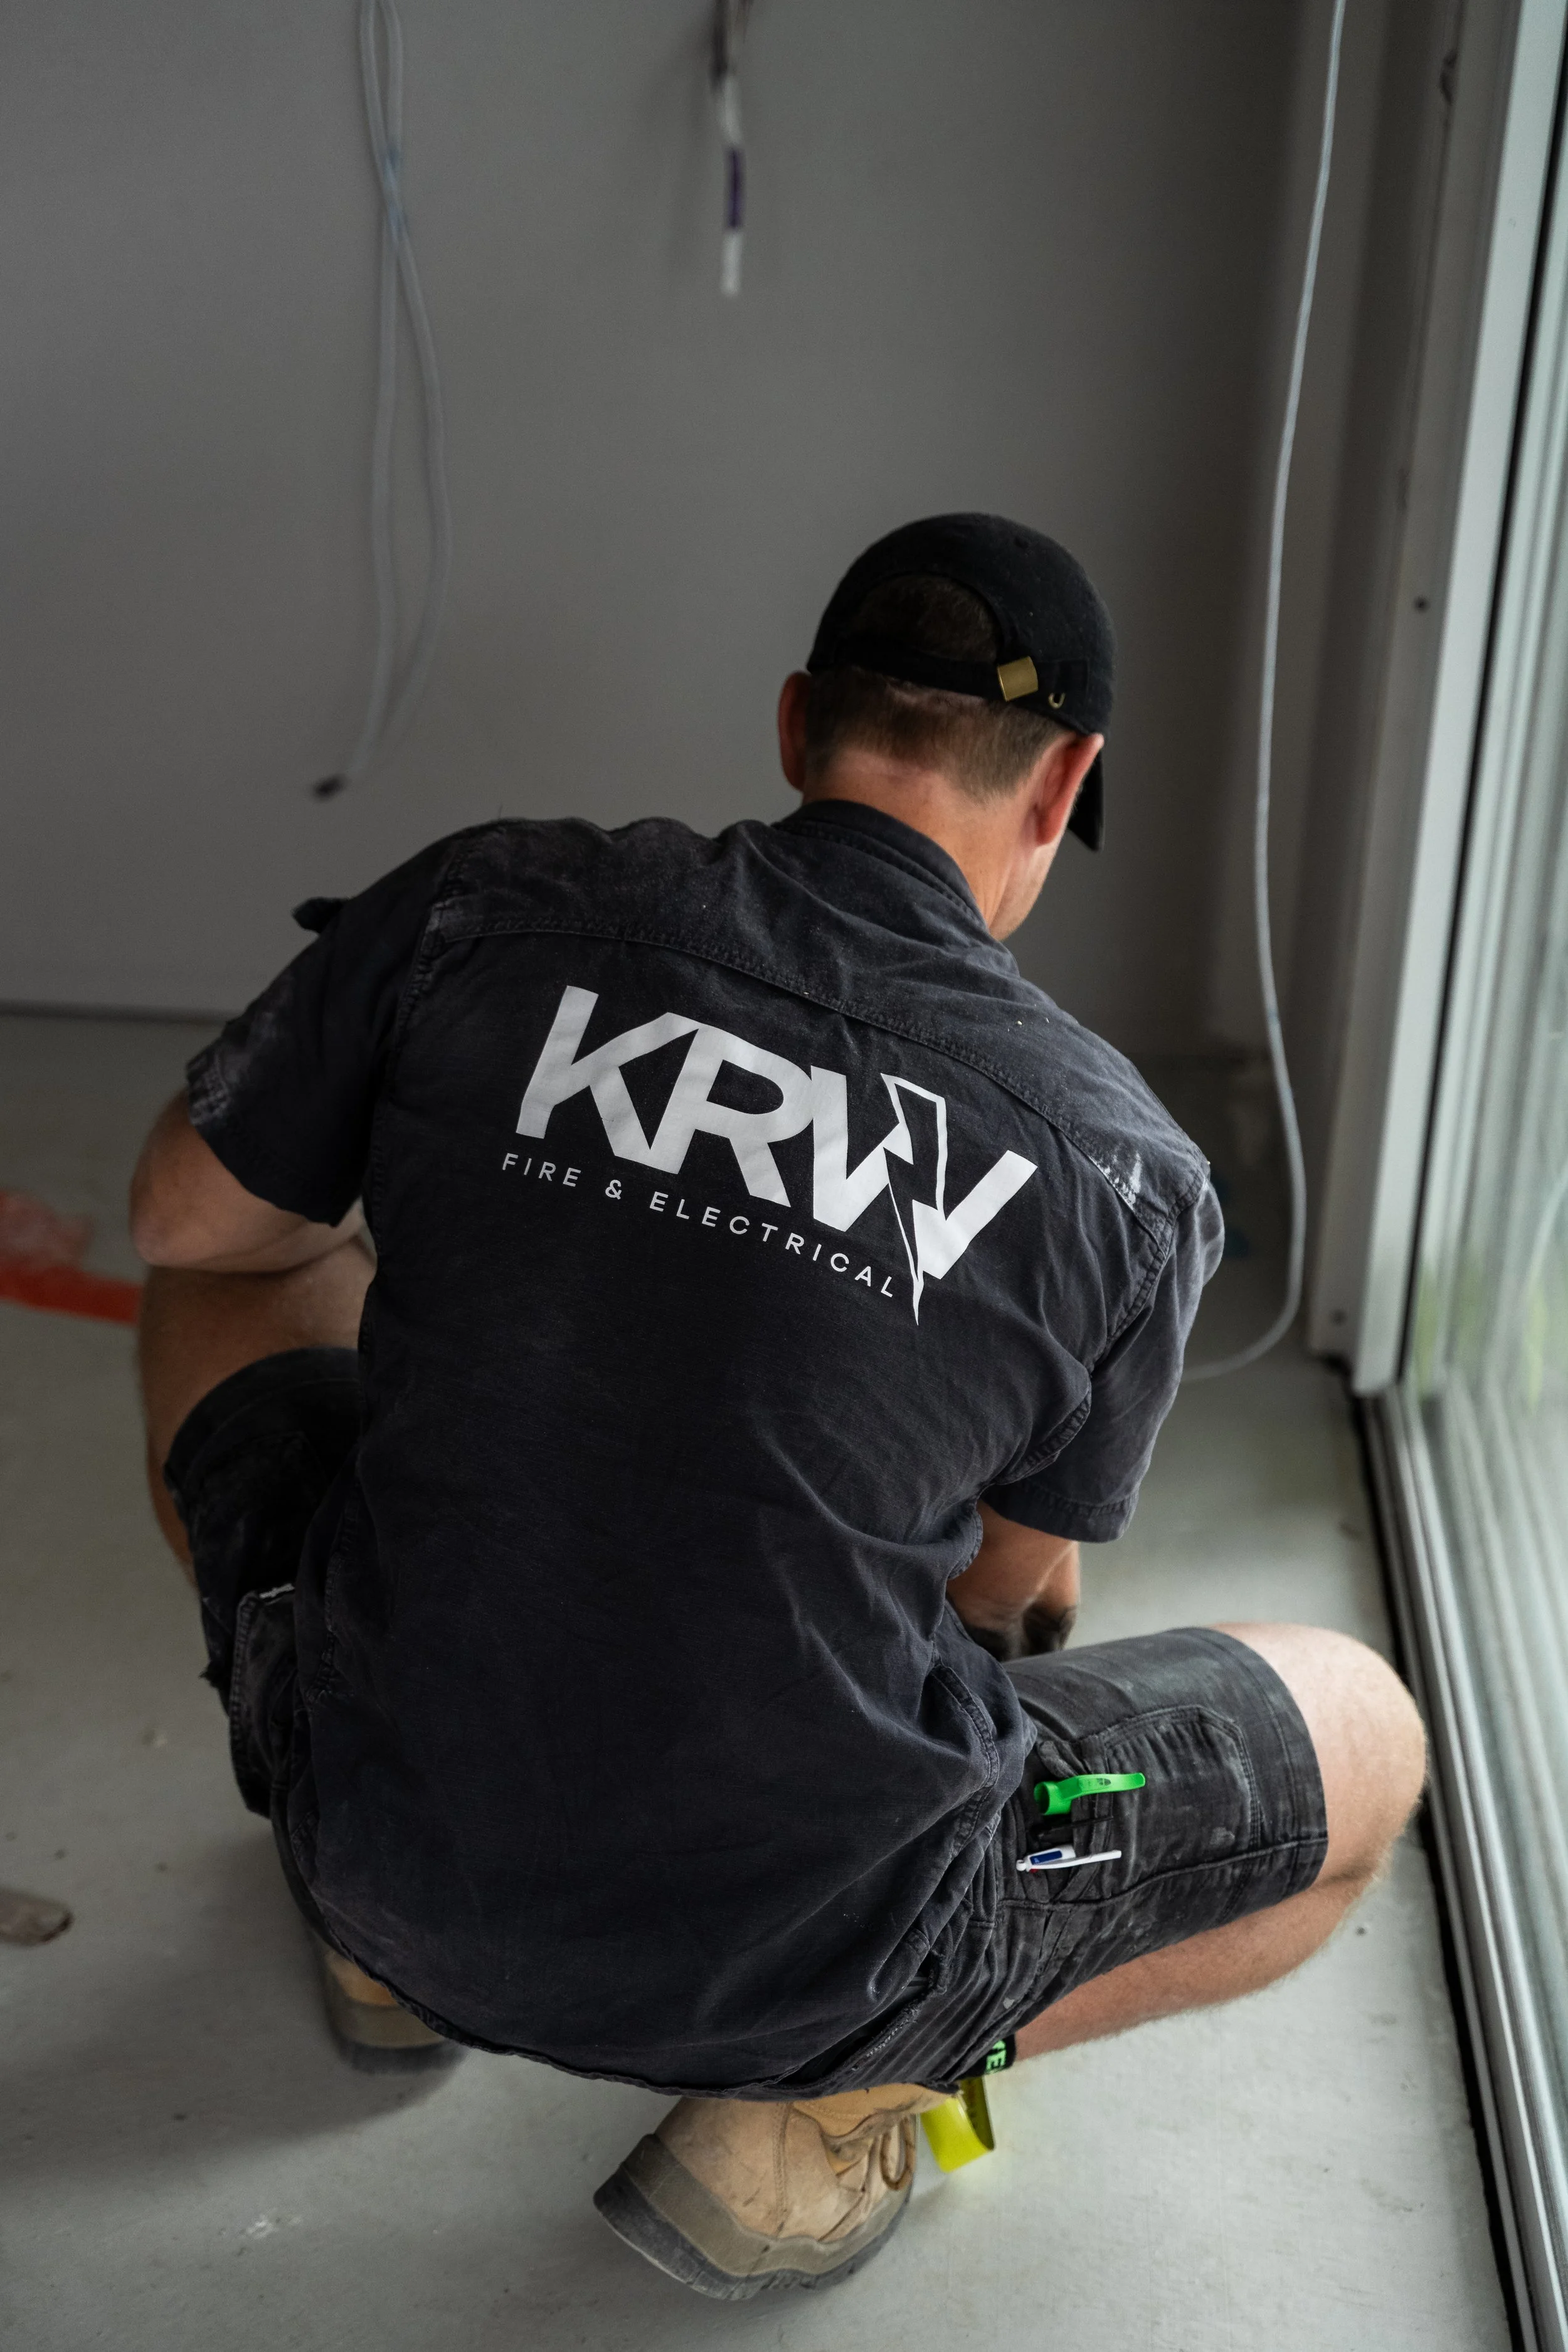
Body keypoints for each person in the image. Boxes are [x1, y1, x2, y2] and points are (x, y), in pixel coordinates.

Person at [130, 514, 1426, 2300]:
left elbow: (183, 1220)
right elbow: (990, 1595)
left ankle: (392, 1958)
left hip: (383, 1843)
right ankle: (819, 2109)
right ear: (1058, 792)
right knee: (1365, 1733)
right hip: (815, 1943)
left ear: (797, 718)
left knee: (244, 1259)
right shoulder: (1121, 1171)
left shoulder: (484, 902)